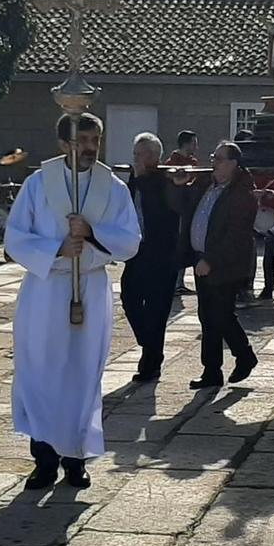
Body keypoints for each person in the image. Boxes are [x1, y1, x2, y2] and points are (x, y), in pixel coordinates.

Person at [4, 112, 142, 488]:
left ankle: (75, 459)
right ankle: (44, 459)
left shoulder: (111, 186)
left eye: (96, 139)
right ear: (64, 143)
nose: (91, 148)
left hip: (91, 291)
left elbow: (130, 240)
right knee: (42, 373)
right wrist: (56, 248)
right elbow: (15, 238)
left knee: (82, 375)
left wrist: (93, 232)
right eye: (83, 141)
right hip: (46, 291)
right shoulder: (38, 184)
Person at [185, 139, 259, 389]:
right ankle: (212, 371)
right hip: (201, 259)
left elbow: (236, 236)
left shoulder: (241, 193)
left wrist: (211, 259)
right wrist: (178, 185)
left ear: (233, 164)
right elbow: (185, 208)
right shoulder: (207, 184)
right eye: (213, 157)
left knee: (221, 315)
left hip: (224, 264)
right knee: (207, 316)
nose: (213, 162)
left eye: (218, 158)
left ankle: (244, 355)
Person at [120, 132, 183, 383]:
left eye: (141, 154)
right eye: (135, 154)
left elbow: (162, 210)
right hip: (136, 252)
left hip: (161, 255)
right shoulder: (135, 181)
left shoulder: (164, 181)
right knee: (129, 297)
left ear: (154, 157)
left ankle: (151, 362)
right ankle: (149, 343)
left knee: (157, 309)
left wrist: (143, 177)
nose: (136, 159)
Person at [166, 130, 200, 295]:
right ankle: (174, 281)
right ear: (185, 143)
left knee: (187, 243)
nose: (196, 146)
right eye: (193, 142)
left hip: (190, 208)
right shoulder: (173, 162)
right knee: (177, 244)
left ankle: (180, 281)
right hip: (176, 209)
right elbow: (174, 183)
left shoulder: (193, 162)